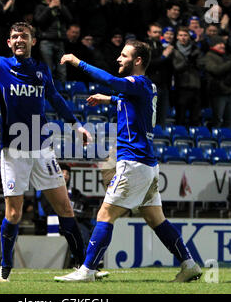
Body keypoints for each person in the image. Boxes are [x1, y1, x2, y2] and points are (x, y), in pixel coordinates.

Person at [0, 17, 93, 282]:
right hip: (14, 150)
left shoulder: (41, 70)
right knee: (14, 213)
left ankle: (82, 266)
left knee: (65, 208)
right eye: (15, 36)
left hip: (42, 148)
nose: (20, 40)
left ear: (33, 41)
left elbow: (55, 98)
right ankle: (5, 268)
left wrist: (76, 125)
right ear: (9, 42)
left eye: (24, 36)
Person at [55, 40, 202, 282]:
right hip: (147, 165)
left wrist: (77, 62)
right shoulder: (146, 87)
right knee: (156, 219)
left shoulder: (138, 83)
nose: (118, 59)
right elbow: (130, 101)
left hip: (133, 163)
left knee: (105, 215)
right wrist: (109, 100)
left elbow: (113, 82)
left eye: (124, 55)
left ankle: (87, 270)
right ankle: (189, 264)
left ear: (138, 61)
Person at [199, 35, 231, 128]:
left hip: (229, 91)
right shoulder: (208, 56)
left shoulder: (226, 56)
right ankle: (215, 137)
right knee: (218, 119)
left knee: (229, 120)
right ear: (213, 45)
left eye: (223, 43)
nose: (222, 45)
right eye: (219, 43)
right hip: (217, 92)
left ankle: (227, 140)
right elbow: (216, 70)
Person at [34, 0, 73, 82]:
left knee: (62, 70)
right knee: (48, 68)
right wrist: (49, 7)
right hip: (46, 41)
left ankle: (63, 92)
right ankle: (48, 91)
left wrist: (61, 7)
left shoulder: (60, 8)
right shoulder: (40, 7)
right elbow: (39, 20)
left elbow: (70, 19)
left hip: (60, 41)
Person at [172, 26, 202, 126]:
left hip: (195, 86)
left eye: (185, 35)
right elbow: (175, 67)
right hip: (181, 87)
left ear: (189, 37)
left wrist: (196, 60)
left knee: (195, 118)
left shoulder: (195, 49)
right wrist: (188, 61)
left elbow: (201, 65)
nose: (183, 37)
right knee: (180, 117)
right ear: (177, 37)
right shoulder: (173, 50)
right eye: (181, 35)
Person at [145, 23, 174, 128]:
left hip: (164, 85)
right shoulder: (145, 46)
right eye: (155, 32)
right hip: (151, 84)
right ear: (149, 33)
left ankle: (160, 137)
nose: (158, 34)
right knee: (151, 114)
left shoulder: (163, 46)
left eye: (159, 32)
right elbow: (148, 64)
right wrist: (163, 56)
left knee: (162, 117)